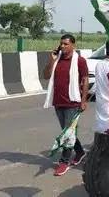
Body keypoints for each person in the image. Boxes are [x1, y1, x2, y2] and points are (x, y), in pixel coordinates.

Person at [43, 34, 88, 176]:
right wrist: (52, 60)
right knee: (67, 131)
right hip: (58, 101)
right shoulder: (57, 60)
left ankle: (64, 162)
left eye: (66, 44)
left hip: (73, 102)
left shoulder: (79, 61)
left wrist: (83, 100)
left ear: (73, 45)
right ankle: (80, 152)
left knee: (67, 133)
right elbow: (45, 75)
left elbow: (85, 80)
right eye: (61, 43)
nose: (62, 46)